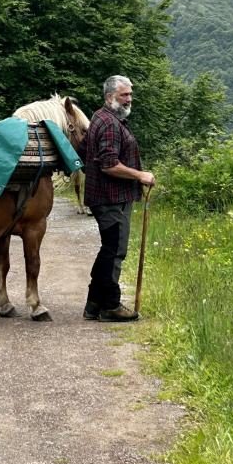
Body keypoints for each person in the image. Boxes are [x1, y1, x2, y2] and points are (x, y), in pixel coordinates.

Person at [79, 75, 155, 322]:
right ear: (110, 96)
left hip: (106, 196)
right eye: (124, 95)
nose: (129, 99)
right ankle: (110, 306)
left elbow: (84, 153)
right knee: (115, 252)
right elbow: (109, 164)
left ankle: (93, 305)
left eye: (130, 95)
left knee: (108, 250)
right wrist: (140, 175)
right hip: (112, 199)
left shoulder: (100, 117)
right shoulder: (110, 124)